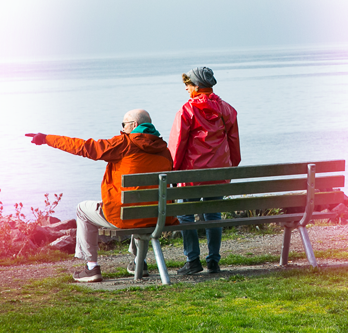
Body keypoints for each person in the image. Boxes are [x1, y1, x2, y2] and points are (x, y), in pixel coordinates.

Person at [25, 109, 177, 283]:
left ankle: (91, 268)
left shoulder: (124, 143)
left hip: (126, 218)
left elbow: (84, 147)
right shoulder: (163, 149)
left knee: (82, 209)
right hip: (158, 216)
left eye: (124, 125)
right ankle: (138, 262)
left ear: (134, 125)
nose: (122, 129)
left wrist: (47, 138)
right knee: (141, 204)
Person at [169, 66, 241, 275]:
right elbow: (233, 141)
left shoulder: (187, 110)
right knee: (213, 215)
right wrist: (231, 166)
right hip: (218, 174)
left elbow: (178, 145)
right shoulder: (227, 109)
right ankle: (213, 261)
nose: (186, 89)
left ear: (197, 86)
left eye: (188, 85)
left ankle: (192, 261)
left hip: (191, 175)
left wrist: (173, 170)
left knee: (186, 216)